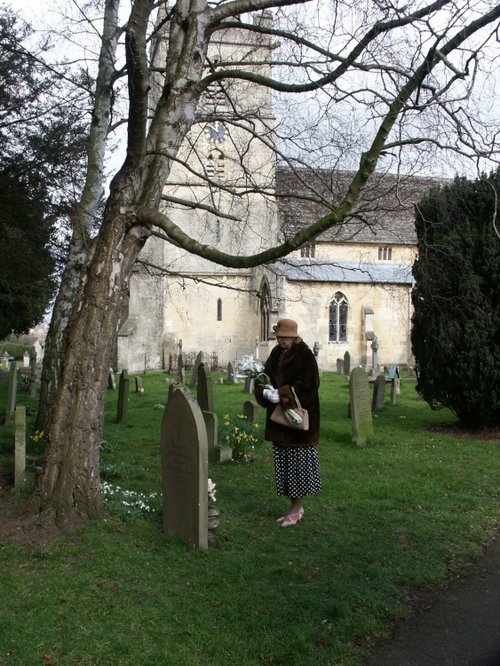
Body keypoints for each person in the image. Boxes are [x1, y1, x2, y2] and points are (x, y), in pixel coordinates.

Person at [254, 318, 321, 527]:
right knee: (284, 466)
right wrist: (264, 390)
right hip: (279, 421)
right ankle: (294, 507)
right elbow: (264, 375)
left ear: (294, 337)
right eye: (279, 337)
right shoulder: (276, 353)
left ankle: (296, 509)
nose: (280, 341)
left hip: (298, 423)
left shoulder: (305, 354)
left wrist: (283, 394)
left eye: (284, 338)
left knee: (297, 467)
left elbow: (310, 385)